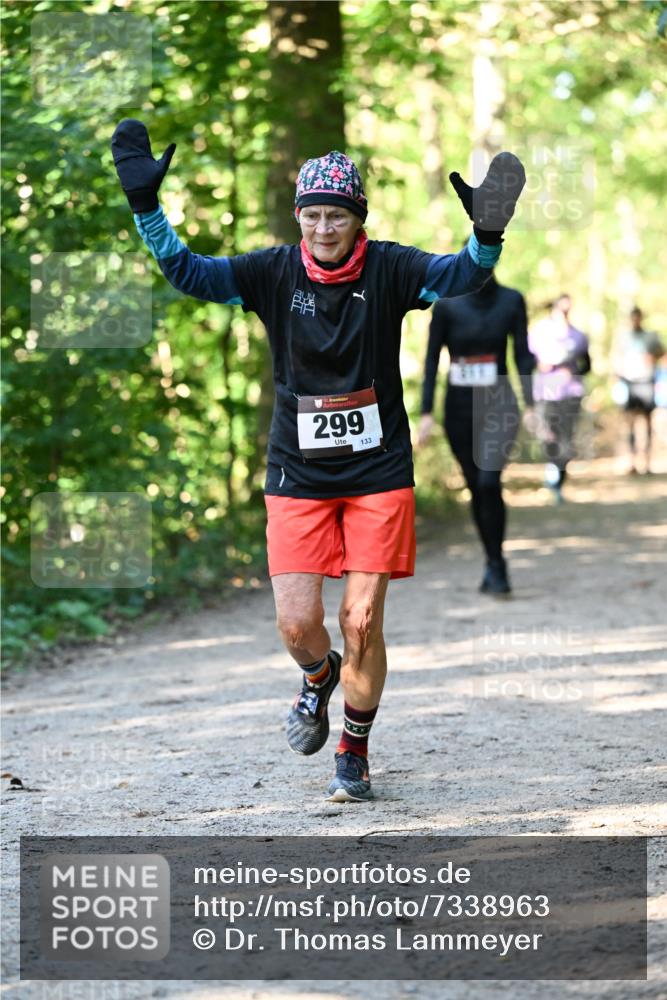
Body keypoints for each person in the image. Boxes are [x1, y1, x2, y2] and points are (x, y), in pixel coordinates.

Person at [111, 120, 525, 801]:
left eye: (337, 215)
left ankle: (353, 750)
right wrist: (145, 208)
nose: (324, 228)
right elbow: (188, 272)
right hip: (297, 473)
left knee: (360, 619)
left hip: (378, 469)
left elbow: (460, 275)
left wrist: (486, 233)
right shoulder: (270, 272)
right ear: (298, 217)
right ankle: (316, 675)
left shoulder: (391, 268)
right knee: (297, 624)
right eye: (313, 215)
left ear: (356, 219)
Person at [418, 272, 534, 595]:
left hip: (500, 405)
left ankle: (497, 566)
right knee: (475, 486)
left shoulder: (512, 300)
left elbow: (522, 355)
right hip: (458, 409)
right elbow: (431, 359)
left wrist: (532, 404)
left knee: (488, 481)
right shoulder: (446, 304)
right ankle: (492, 560)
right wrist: (426, 412)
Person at [528, 294, 590, 503]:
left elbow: (587, 365)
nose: (564, 312)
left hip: (570, 393)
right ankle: (552, 473)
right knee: (547, 435)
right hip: (545, 393)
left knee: (566, 440)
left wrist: (573, 371)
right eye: (561, 309)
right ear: (553, 308)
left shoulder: (578, 336)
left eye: (568, 309)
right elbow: (529, 359)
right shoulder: (539, 331)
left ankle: (557, 483)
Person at [612, 307, 664, 474]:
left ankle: (647, 461)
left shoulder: (650, 337)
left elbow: (663, 353)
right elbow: (617, 359)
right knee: (630, 423)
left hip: (646, 381)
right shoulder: (624, 338)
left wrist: (653, 357)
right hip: (630, 382)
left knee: (648, 422)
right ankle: (632, 461)